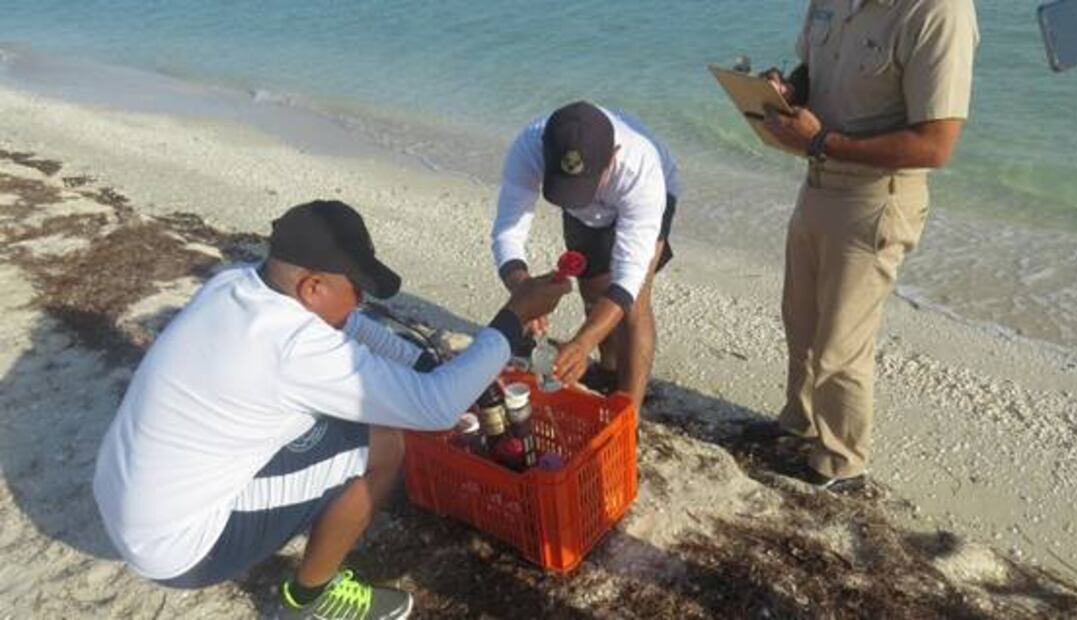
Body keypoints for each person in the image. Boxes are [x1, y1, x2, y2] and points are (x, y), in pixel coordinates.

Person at [92, 200, 570, 619]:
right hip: (179, 544)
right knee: (385, 445)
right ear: (312, 288)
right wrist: (512, 319)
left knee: (348, 414)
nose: (361, 299)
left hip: (127, 496)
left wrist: (424, 361)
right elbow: (436, 410)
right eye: (355, 286)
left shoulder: (237, 284)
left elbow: (352, 327)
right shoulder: (293, 346)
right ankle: (310, 600)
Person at [751, 0, 979, 491]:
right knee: (801, 321)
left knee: (841, 345)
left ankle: (841, 466)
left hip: (877, 197)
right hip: (816, 182)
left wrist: (823, 142)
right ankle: (798, 428)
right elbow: (813, 72)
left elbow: (936, 145)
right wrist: (788, 90)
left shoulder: (940, 11)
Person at [490, 101, 680, 410]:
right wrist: (524, 290)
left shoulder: (641, 169)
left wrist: (582, 342)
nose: (581, 196)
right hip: (590, 210)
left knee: (634, 306)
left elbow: (628, 278)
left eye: (586, 183)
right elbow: (507, 232)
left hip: (648, 196)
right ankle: (608, 370)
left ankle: (628, 414)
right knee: (592, 290)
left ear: (613, 156)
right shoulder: (530, 146)